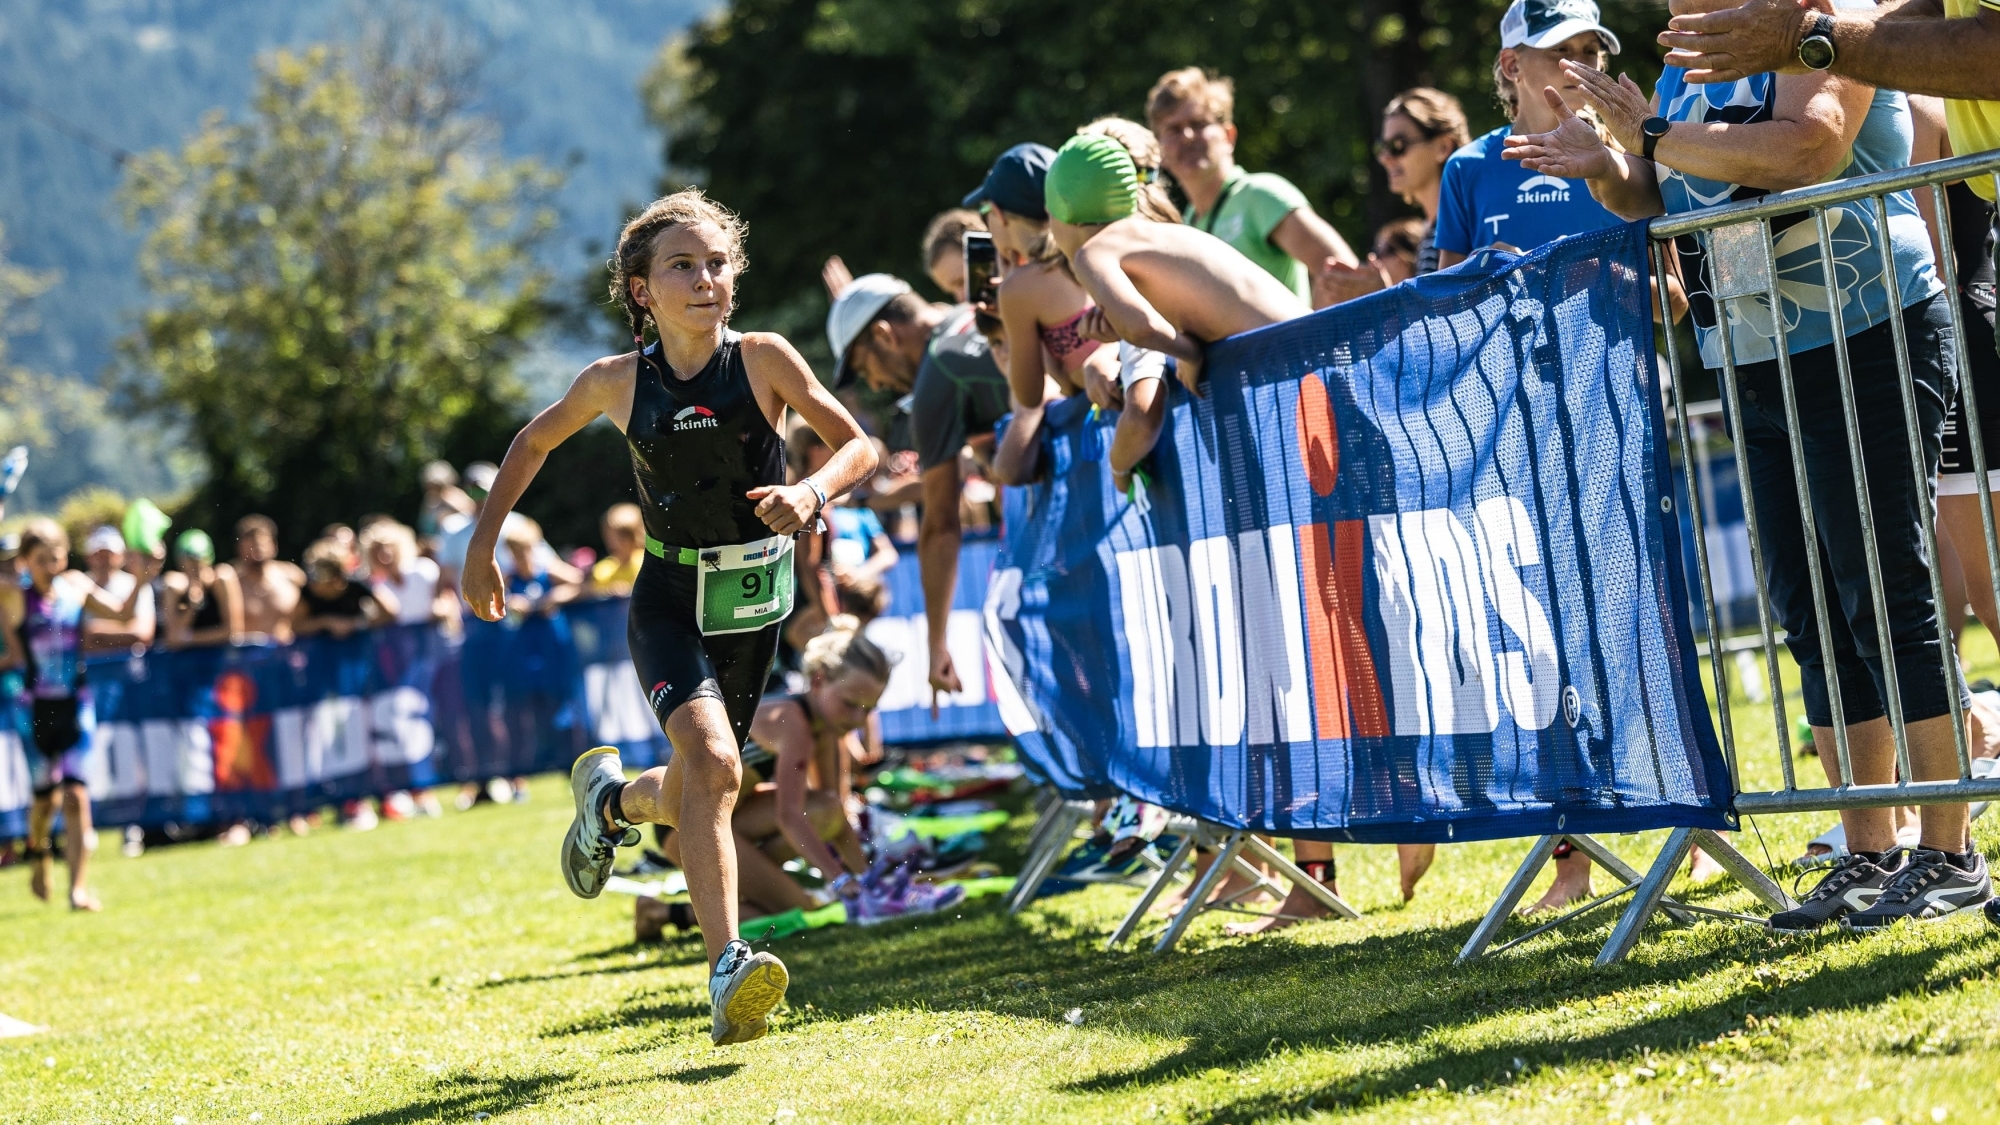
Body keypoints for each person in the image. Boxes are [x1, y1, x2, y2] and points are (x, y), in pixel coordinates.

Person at [1507, 16, 1988, 928]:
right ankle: (1868, 849)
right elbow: (1665, 197)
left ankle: (1949, 850)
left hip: (1869, 329)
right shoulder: (1690, 59)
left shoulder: (1819, 21)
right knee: (1810, 601)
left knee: (1883, 588)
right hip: (1750, 348)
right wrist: (1609, 168)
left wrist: (1646, 133)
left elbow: (1811, 145)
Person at [461, 189, 878, 1046]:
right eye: (681, 265)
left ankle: (611, 804)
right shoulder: (617, 382)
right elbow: (533, 443)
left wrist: (810, 489)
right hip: (668, 598)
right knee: (721, 767)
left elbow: (858, 444)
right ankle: (729, 968)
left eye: (717, 262)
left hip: (755, 601)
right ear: (642, 289)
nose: (704, 278)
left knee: (697, 786)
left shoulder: (764, 360)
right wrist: (481, 545)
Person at [826, 274, 1009, 706]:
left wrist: (937, 643)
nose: (873, 384)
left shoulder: (934, 379)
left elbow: (941, 525)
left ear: (884, 335)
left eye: (862, 367)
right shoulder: (975, 311)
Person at [1044, 133, 1310, 396]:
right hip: (1318, 345)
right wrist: (1120, 323)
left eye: (1049, 214)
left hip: (1296, 362)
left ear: (1065, 210)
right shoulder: (1153, 236)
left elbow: (1140, 327)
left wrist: (1188, 352)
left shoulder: (1092, 253)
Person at [0, 518, 159, 910]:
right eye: (41, 560)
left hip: (75, 703)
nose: (51, 567)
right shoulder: (16, 596)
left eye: (56, 558)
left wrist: (141, 577)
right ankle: (38, 854)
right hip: (33, 709)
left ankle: (78, 889)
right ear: (25, 562)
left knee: (75, 794)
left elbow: (122, 615)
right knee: (43, 801)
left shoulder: (75, 586)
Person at [1145, 67, 1360, 308]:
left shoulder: (1260, 195)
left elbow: (1349, 276)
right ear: (1159, 149)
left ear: (1229, 136)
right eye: (1173, 129)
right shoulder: (1184, 225)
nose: (1187, 136)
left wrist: (1313, 339)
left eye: (1198, 123)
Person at [1434, 0, 1625, 270]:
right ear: (1512, 65)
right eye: (1561, 49)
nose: (1580, 66)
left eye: (1590, 50)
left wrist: (1590, 275)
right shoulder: (1466, 166)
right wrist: (1483, 273)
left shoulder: (1627, 161)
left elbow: (1675, 299)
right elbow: (1444, 301)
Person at [965, 142, 1120, 410]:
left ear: (999, 215)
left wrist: (1012, 314)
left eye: (985, 212)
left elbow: (1028, 395)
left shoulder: (1018, 289)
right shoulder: (1090, 247)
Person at [1324, 90, 1471, 304]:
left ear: (1443, 147)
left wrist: (1382, 295)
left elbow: (1450, 316)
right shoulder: (1433, 228)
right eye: (1382, 147)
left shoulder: (1465, 224)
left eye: (1398, 145)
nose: (1385, 158)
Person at [219, 515, 303, 645]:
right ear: (239, 547)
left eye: (261, 542)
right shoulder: (229, 581)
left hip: (286, 659)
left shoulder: (293, 576)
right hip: (245, 661)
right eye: (251, 543)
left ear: (274, 545)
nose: (257, 548)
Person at [78, 527, 155, 653]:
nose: (104, 559)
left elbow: (143, 635)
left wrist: (95, 631)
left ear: (122, 556)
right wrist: (125, 631)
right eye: (98, 554)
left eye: (109, 554)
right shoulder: (79, 584)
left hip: (131, 669)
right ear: (88, 557)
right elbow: (80, 639)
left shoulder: (137, 584)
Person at [161, 529, 241, 648]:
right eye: (188, 563)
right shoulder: (175, 587)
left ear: (208, 561)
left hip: (221, 658)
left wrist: (187, 638)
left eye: (197, 563)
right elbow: (172, 638)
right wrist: (192, 607)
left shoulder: (222, 579)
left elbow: (233, 632)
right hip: (189, 662)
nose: (194, 570)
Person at [293, 540, 386, 639]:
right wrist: (325, 622)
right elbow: (294, 626)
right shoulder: (307, 592)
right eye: (312, 575)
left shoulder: (355, 584)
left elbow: (390, 613)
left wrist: (356, 623)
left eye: (318, 577)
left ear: (336, 578)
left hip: (358, 647)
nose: (312, 583)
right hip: (319, 650)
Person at [361, 521, 445, 626]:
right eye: (377, 549)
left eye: (388, 546)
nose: (384, 553)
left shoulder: (424, 568)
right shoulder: (380, 587)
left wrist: (441, 608)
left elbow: (445, 599)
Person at [589, 503, 648, 597]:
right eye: (610, 537)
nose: (615, 543)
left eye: (622, 536)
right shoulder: (602, 569)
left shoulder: (647, 563)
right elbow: (591, 591)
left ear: (638, 534)